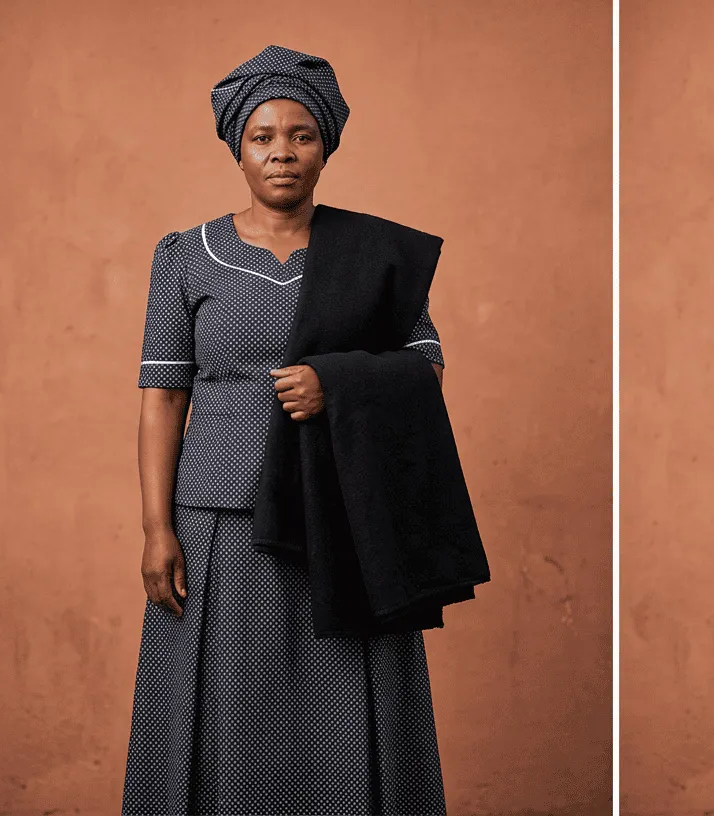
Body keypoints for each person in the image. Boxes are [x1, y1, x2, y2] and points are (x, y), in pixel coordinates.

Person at [123, 45, 448, 815]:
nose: (282, 152)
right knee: (225, 713)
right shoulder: (184, 257)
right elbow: (163, 398)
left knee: (345, 699)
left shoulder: (368, 256)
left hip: (341, 516)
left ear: (325, 145)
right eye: (263, 136)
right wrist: (155, 529)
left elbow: (426, 365)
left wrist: (336, 382)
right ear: (238, 147)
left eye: (300, 135)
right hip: (220, 525)